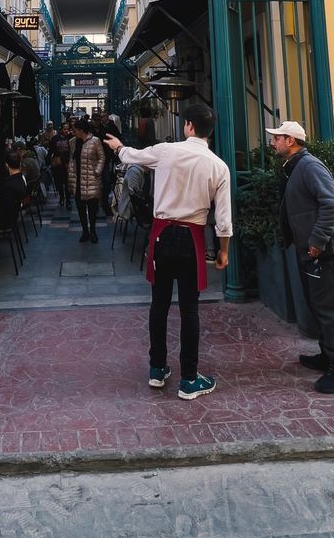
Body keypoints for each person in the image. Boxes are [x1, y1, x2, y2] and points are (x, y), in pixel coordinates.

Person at [105, 102, 231, 401]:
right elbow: (223, 218)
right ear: (209, 131)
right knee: (189, 309)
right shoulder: (218, 166)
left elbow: (132, 156)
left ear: (189, 126)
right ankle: (189, 379)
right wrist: (223, 251)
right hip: (192, 239)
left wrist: (118, 146)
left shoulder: (166, 151)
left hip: (161, 237)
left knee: (158, 305)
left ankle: (157, 369)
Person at [268, 120, 334, 394]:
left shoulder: (309, 166)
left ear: (291, 141)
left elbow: (331, 205)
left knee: (328, 309)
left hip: (324, 251)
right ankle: (327, 355)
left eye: (277, 138)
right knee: (319, 306)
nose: (273, 142)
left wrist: (316, 243)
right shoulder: (297, 167)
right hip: (313, 250)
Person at [71, 118, 106, 243]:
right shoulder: (73, 142)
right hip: (78, 180)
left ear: (81, 130)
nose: (74, 132)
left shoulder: (95, 141)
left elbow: (101, 157)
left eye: (75, 130)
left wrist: (97, 171)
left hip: (91, 179)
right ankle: (85, 231)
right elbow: (71, 160)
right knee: (80, 208)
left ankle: (93, 231)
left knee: (92, 209)